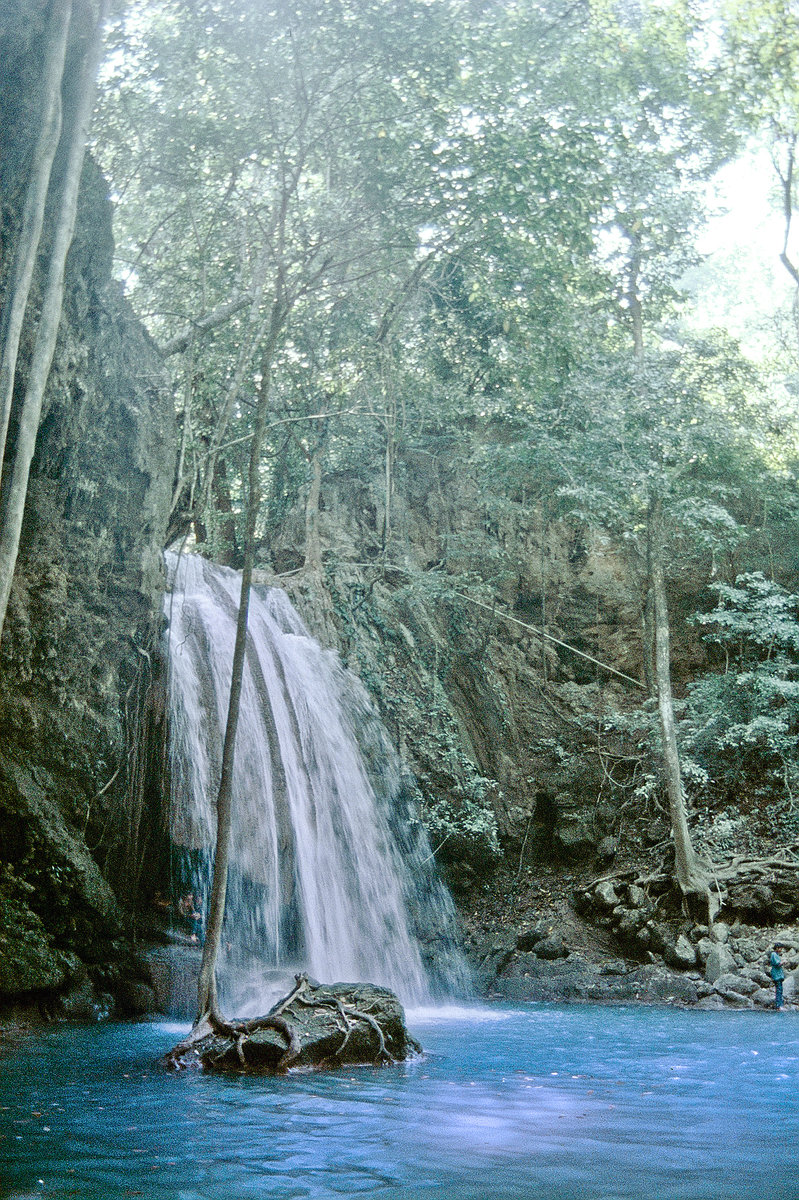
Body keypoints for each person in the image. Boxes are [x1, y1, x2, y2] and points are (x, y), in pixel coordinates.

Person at [769, 942, 786, 1010]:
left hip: (778, 974)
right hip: (776, 974)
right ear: (776, 948)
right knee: (779, 989)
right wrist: (783, 962)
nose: (780, 950)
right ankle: (778, 1006)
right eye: (779, 948)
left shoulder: (776, 954)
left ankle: (779, 1004)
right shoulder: (774, 954)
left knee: (780, 989)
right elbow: (777, 964)